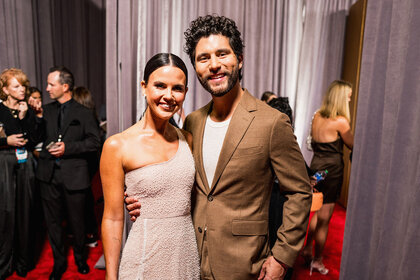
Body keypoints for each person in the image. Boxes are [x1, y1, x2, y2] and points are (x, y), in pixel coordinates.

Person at [126, 15, 312, 280]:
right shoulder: (192, 122)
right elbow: (182, 182)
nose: (214, 65)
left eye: (222, 54)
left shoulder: (272, 122)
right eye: (203, 58)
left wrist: (282, 256)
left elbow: (300, 192)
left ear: (240, 58)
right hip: (189, 258)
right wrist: (144, 199)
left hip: (244, 264)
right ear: (196, 68)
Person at [101, 53, 200, 280]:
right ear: (144, 87)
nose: (168, 95)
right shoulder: (118, 145)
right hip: (144, 257)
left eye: (177, 88)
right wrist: (110, 276)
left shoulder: (188, 139)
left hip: (185, 256)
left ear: (185, 93)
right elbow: (113, 219)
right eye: (160, 86)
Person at [29, 66, 101, 280]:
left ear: (65, 86)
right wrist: (38, 117)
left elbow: (94, 142)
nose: (47, 88)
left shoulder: (84, 113)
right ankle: (59, 264)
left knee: (77, 222)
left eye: (51, 84)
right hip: (48, 176)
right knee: (53, 223)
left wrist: (68, 148)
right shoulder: (45, 110)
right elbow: (34, 139)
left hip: (75, 177)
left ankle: (80, 259)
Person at [301, 80, 354, 275]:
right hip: (332, 170)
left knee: (317, 211)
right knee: (324, 218)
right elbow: (353, 144)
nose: (350, 98)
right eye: (348, 95)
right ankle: (318, 260)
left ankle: (307, 248)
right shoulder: (340, 121)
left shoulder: (317, 116)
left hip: (318, 169)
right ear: (341, 97)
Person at [0, 68, 44, 278]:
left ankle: (23, 263)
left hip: (25, 163)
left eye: (23, 85)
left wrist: (28, 116)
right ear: (5, 89)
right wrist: (4, 141)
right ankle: (4, 265)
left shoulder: (27, 108)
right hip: (4, 163)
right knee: (6, 213)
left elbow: (34, 140)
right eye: (16, 86)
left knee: (26, 212)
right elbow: (9, 136)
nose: (22, 90)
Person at [72, 86, 101, 248]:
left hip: (85, 162)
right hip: (90, 162)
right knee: (85, 196)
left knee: (84, 198)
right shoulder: (92, 116)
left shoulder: (82, 118)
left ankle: (88, 233)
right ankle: (87, 232)